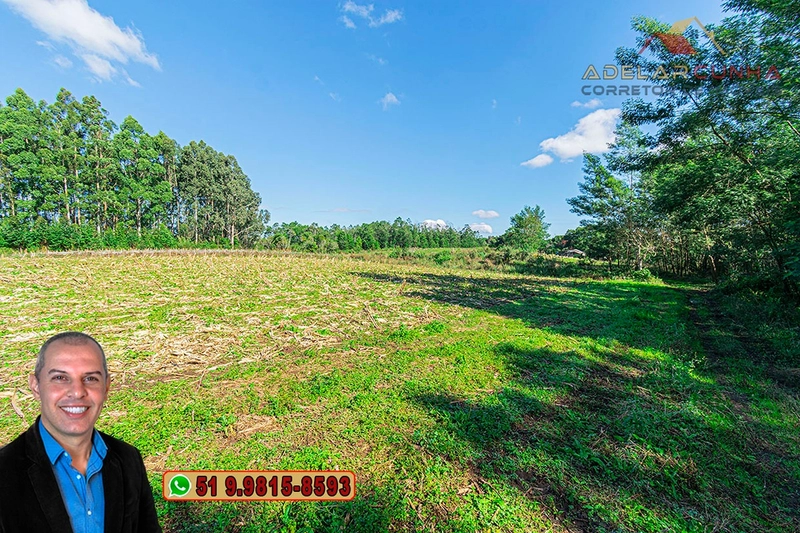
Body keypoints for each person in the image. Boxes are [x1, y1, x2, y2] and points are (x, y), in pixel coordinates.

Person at [0, 332, 162, 533]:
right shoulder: (4, 471)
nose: (77, 392)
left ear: (106, 387)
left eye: (90, 378)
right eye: (60, 378)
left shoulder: (129, 460)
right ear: (35, 386)